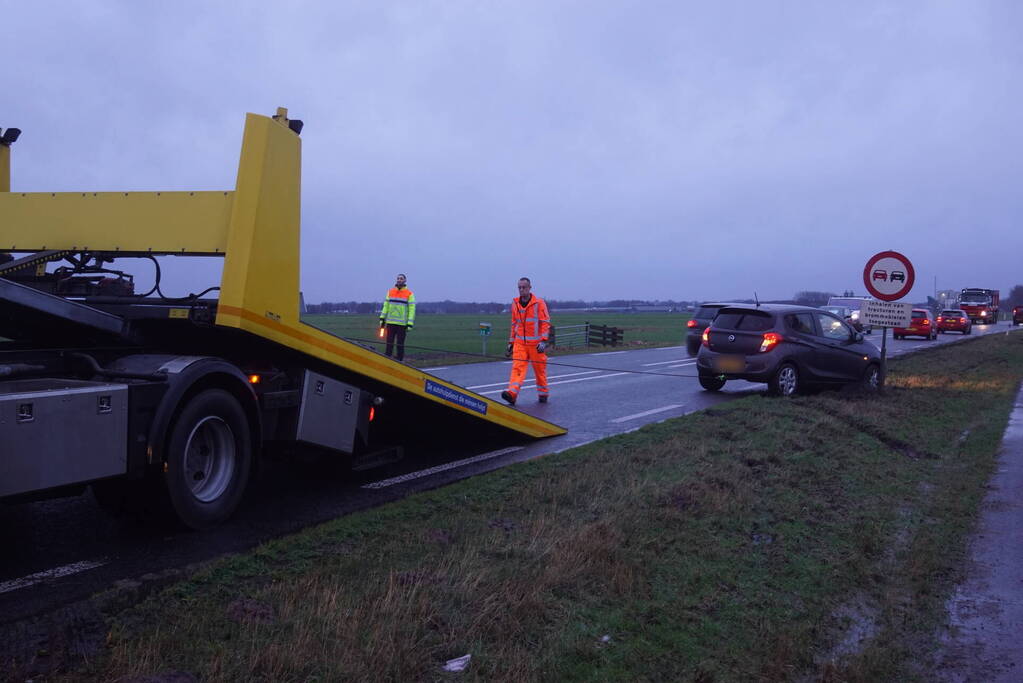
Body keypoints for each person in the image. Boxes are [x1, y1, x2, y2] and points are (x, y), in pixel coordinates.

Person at [501, 277, 551, 405]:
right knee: (517, 368)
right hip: (520, 344)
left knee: (539, 370)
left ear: (530, 288)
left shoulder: (539, 303)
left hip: (536, 345)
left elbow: (545, 322)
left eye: (524, 287)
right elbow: (514, 324)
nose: (521, 290)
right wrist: (510, 343)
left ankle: (543, 394)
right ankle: (512, 394)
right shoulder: (515, 304)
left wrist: (544, 341)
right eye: (519, 287)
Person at [379, 273, 416, 361]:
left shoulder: (409, 294)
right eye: (398, 278)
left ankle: (400, 361)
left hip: (402, 324)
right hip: (390, 323)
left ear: (405, 281)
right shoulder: (390, 292)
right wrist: (382, 318)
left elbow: (412, 309)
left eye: (401, 278)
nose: (399, 280)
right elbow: (385, 306)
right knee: (389, 343)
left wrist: (410, 323)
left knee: (400, 344)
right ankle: (387, 359)